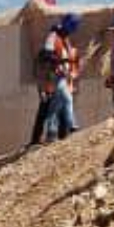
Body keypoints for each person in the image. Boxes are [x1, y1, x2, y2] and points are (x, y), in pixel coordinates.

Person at [30, 13, 80, 146]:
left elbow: (69, 62)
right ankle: (37, 140)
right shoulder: (53, 37)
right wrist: (60, 61)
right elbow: (47, 57)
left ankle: (60, 137)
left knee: (60, 109)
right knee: (46, 110)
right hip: (51, 81)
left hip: (61, 80)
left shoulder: (66, 41)